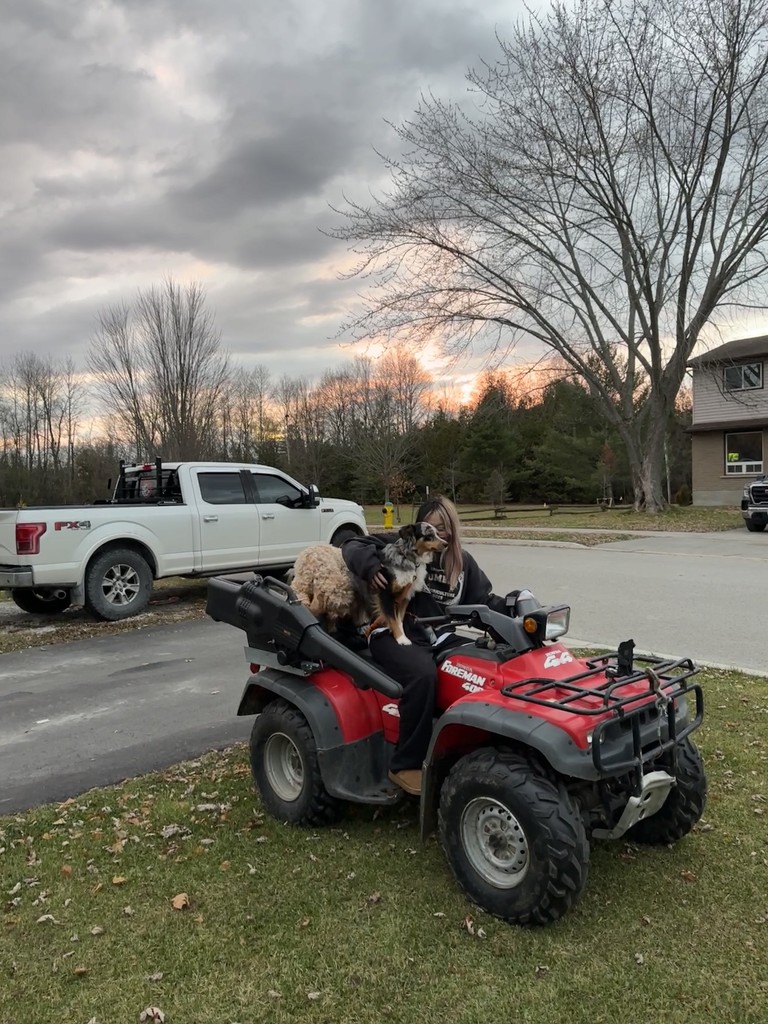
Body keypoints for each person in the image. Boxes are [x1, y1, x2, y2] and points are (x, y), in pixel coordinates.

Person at [341, 496, 506, 796]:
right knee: (422, 676)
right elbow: (352, 544)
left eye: (446, 528)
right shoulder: (403, 545)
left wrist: (514, 612)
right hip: (393, 632)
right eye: (434, 529)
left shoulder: (462, 563)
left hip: (441, 636)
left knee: (482, 669)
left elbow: (483, 603)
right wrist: (370, 567)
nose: (440, 535)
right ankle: (405, 763)